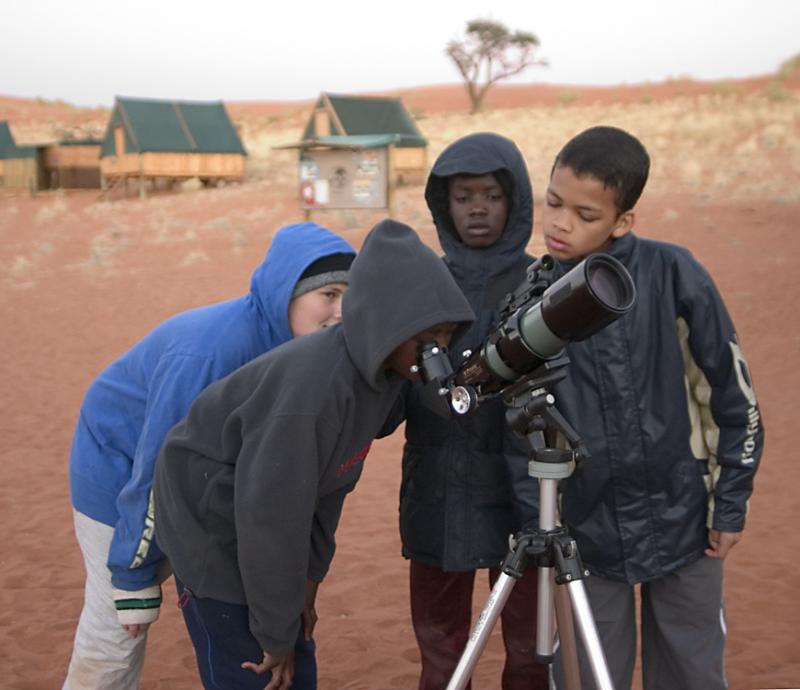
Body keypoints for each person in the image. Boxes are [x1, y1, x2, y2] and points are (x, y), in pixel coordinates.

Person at [152, 218, 476, 690]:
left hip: (263, 508)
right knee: (253, 668)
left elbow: (330, 487)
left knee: (295, 653)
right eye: (427, 336)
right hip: (209, 519)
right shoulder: (313, 397)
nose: (438, 350)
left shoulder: (379, 379)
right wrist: (275, 636)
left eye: (446, 336)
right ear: (384, 324)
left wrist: (309, 582)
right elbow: (272, 520)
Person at [63, 221, 356, 690]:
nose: (341, 312)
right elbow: (157, 463)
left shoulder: (307, 356)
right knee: (118, 631)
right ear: (288, 294)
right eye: (329, 294)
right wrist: (133, 573)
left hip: (204, 477)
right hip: (119, 468)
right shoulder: (212, 353)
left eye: (350, 297)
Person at [542, 126, 765, 690]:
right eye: (553, 203)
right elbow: (520, 429)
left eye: (584, 213)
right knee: (587, 679)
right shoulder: (537, 297)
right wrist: (543, 522)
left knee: (692, 673)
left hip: (687, 521)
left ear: (622, 221)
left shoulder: (675, 273)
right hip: (585, 535)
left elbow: (732, 395)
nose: (561, 223)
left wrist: (730, 504)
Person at [399, 132, 549, 689]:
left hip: (524, 497)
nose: (478, 208)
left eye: (490, 194)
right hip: (436, 493)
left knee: (531, 655)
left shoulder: (544, 283)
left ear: (516, 202)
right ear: (443, 204)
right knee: (440, 653)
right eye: (463, 197)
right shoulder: (422, 282)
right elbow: (392, 388)